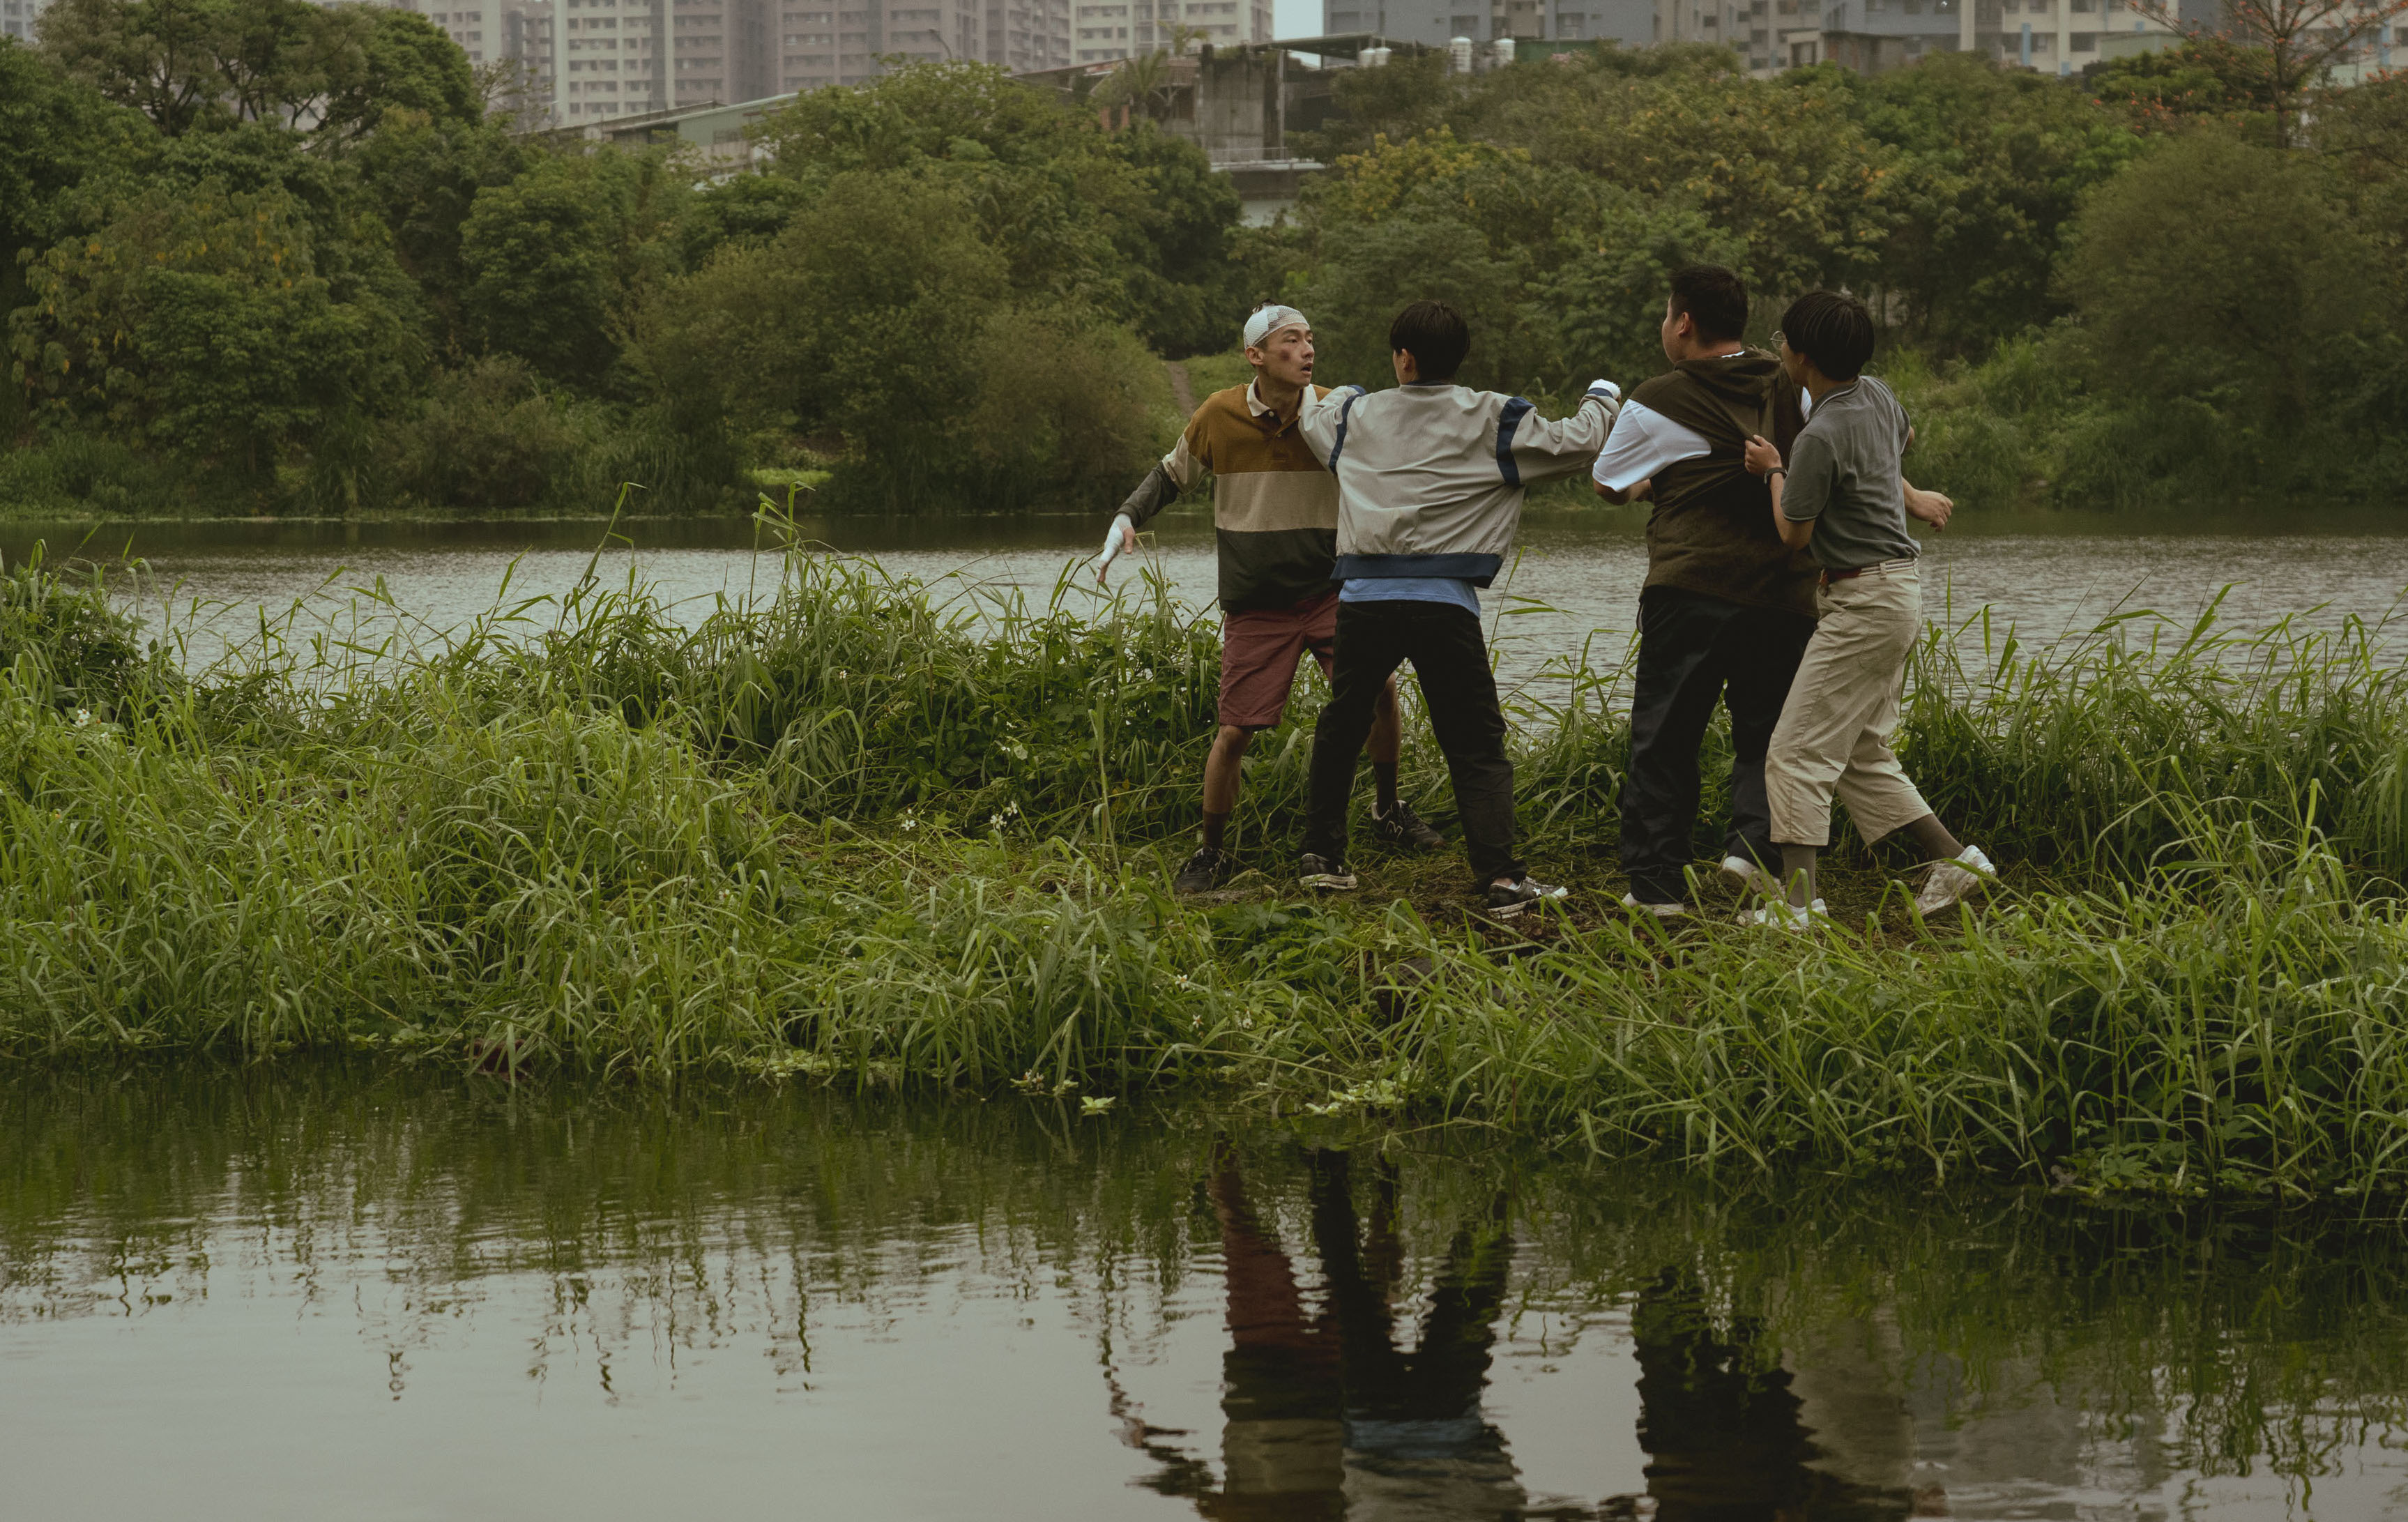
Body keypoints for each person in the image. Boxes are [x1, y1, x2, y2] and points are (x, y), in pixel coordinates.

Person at [1593, 265, 1950, 919]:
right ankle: (1750, 855)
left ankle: (1658, 889)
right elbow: (1867, 445)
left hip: (1692, 584)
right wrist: (1911, 493)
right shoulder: (1802, 385)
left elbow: (1609, 482)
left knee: (1666, 736)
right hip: (1787, 595)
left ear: (1684, 322)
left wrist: (1658, 477)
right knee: (1768, 730)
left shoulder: (1657, 396)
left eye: (1666, 316)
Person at [1098, 304, 1441, 897]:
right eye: (1291, 340)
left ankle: (1387, 811)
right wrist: (1125, 519)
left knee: (1382, 692)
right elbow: (1170, 475)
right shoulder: (1219, 415)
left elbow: (1395, 468)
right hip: (1258, 602)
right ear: (1256, 355)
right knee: (1235, 731)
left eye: (1310, 338)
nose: (1307, 349)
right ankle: (1210, 851)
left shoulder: (1335, 411)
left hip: (1336, 591)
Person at [1295, 300, 1620, 916]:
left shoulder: (1357, 414)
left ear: (1404, 359)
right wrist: (1602, 394)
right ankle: (1501, 877)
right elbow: (1579, 444)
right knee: (1475, 740)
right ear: (1457, 358)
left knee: (1342, 725)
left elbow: (1316, 420)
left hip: (1364, 597)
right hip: (1445, 599)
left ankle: (1324, 858)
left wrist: (1354, 390)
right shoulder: (1494, 415)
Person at [1739, 289, 1995, 928]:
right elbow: (1897, 440)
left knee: (1795, 751)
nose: (1780, 349)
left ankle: (1798, 908)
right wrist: (1907, 497)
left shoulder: (1819, 437)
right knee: (1861, 752)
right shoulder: (1876, 394)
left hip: (1861, 599)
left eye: (1784, 342)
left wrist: (1774, 469)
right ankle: (1958, 863)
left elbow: (1794, 536)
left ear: (1803, 358)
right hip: (1895, 590)